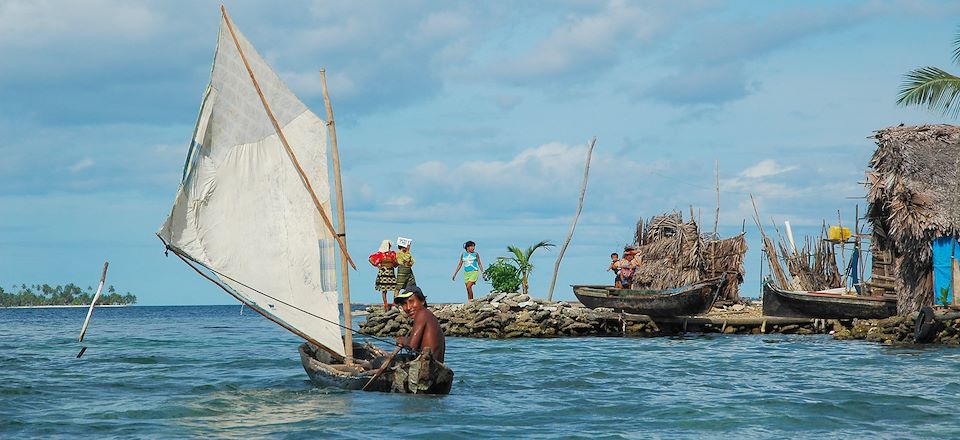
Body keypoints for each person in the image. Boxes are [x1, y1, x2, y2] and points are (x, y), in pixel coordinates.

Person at [394, 286, 445, 363]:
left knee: (377, 362)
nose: (408, 307)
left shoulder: (422, 313)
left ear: (422, 301)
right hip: (434, 366)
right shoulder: (428, 315)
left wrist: (401, 340)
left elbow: (412, 345)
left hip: (429, 366)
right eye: (404, 304)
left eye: (411, 301)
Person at [369, 240, 398, 310]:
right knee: (384, 289)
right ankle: (386, 303)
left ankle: (394, 303)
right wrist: (378, 266)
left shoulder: (392, 253)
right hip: (384, 273)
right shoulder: (380, 254)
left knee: (395, 287)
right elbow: (370, 259)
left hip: (390, 273)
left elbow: (395, 262)